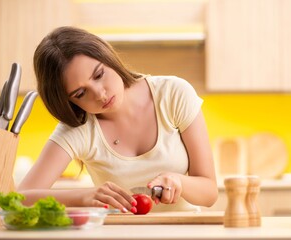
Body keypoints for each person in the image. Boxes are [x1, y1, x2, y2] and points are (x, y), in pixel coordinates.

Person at [17, 26, 218, 213]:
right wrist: (83, 196)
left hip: (183, 232)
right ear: (67, 101)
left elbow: (209, 192)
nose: (99, 94)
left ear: (107, 57)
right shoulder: (79, 128)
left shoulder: (173, 94)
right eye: (80, 93)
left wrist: (179, 182)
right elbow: (20, 198)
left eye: (99, 75)